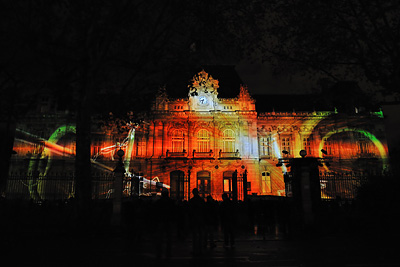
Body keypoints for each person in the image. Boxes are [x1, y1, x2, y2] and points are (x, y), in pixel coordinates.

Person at [155, 188, 175, 259]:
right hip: (169, 221)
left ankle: (159, 252)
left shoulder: (159, 202)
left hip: (161, 221)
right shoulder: (171, 202)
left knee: (160, 238)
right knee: (169, 238)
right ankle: (168, 252)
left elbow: (155, 213)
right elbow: (174, 212)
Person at [189, 188, 205, 256]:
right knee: (201, 235)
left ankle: (195, 249)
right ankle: (201, 249)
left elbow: (190, 211)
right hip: (200, 219)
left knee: (195, 236)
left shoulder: (192, 201)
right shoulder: (201, 200)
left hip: (194, 220)